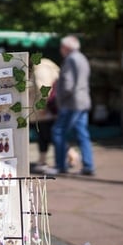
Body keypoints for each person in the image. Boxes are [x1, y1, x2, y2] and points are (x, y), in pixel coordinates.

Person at [50, 35, 95, 176]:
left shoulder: (70, 60)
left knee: (58, 131)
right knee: (82, 133)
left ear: (66, 48)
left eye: (61, 47)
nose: (60, 50)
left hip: (71, 103)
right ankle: (88, 165)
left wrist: (59, 99)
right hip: (83, 101)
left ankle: (60, 165)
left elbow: (68, 85)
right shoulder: (82, 58)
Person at [29, 57, 60, 172]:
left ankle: (70, 154)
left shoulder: (40, 69)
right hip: (48, 110)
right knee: (45, 136)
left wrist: (42, 106)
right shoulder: (48, 67)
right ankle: (42, 160)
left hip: (44, 111)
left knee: (47, 136)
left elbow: (44, 89)